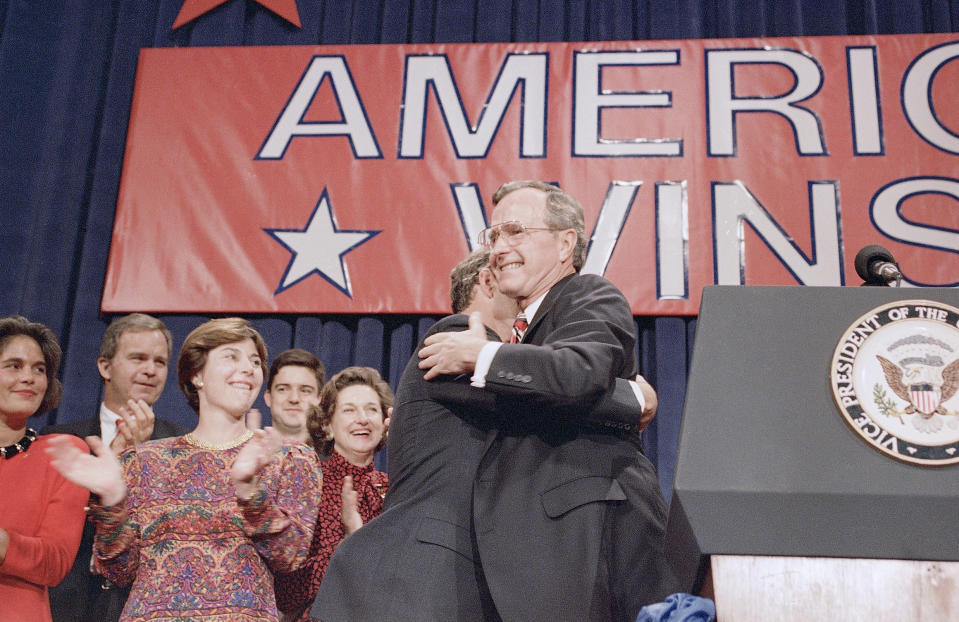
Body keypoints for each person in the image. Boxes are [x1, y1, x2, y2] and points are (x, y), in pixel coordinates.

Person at [312, 249, 655, 621]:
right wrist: (633, 397)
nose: (530, 308)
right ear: (488, 282)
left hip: (448, 584)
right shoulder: (454, 338)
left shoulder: (495, 362)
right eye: (519, 291)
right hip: (417, 576)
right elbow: (550, 395)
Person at [416, 181, 680, 621]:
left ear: (565, 243)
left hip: (595, 537)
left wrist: (483, 356)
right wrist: (630, 399)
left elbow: (578, 373)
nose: (499, 247)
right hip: (538, 550)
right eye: (494, 236)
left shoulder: (588, 295)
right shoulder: (520, 331)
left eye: (515, 231)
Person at [46, 317, 321, 621]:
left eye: (255, 362)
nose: (249, 369)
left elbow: (290, 557)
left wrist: (249, 492)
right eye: (232, 356)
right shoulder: (143, 461)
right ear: (197, 375)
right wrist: (111, 503)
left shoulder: (289, 459)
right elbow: (119, 571)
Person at [43, 313, 188, 622]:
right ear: (105, 366)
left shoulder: (182, 447)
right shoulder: (58, 441)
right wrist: (118, 454)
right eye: (138, 358)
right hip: (66, 604)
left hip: (145, 607)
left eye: (160, 362)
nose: (150, 370)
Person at [275, 366, 391, 622]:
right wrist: (348, 543)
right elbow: (285, 590)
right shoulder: (308, 484)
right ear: (326, 425)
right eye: (349, 410)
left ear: (384, 423)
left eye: (371, 409)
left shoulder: (395, 491)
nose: (363, 418)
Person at [0, 315, 89, 622]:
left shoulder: (61, 453)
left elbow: (55, 562)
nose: (29, 377)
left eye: (39, 369)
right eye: (14, 365)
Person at [264, 348, 325, 445]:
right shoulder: (243, 455)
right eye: (283, 389)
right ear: (268, 397)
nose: (294, 399)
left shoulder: (335, 458)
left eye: (305, 391)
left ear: (319, 400)